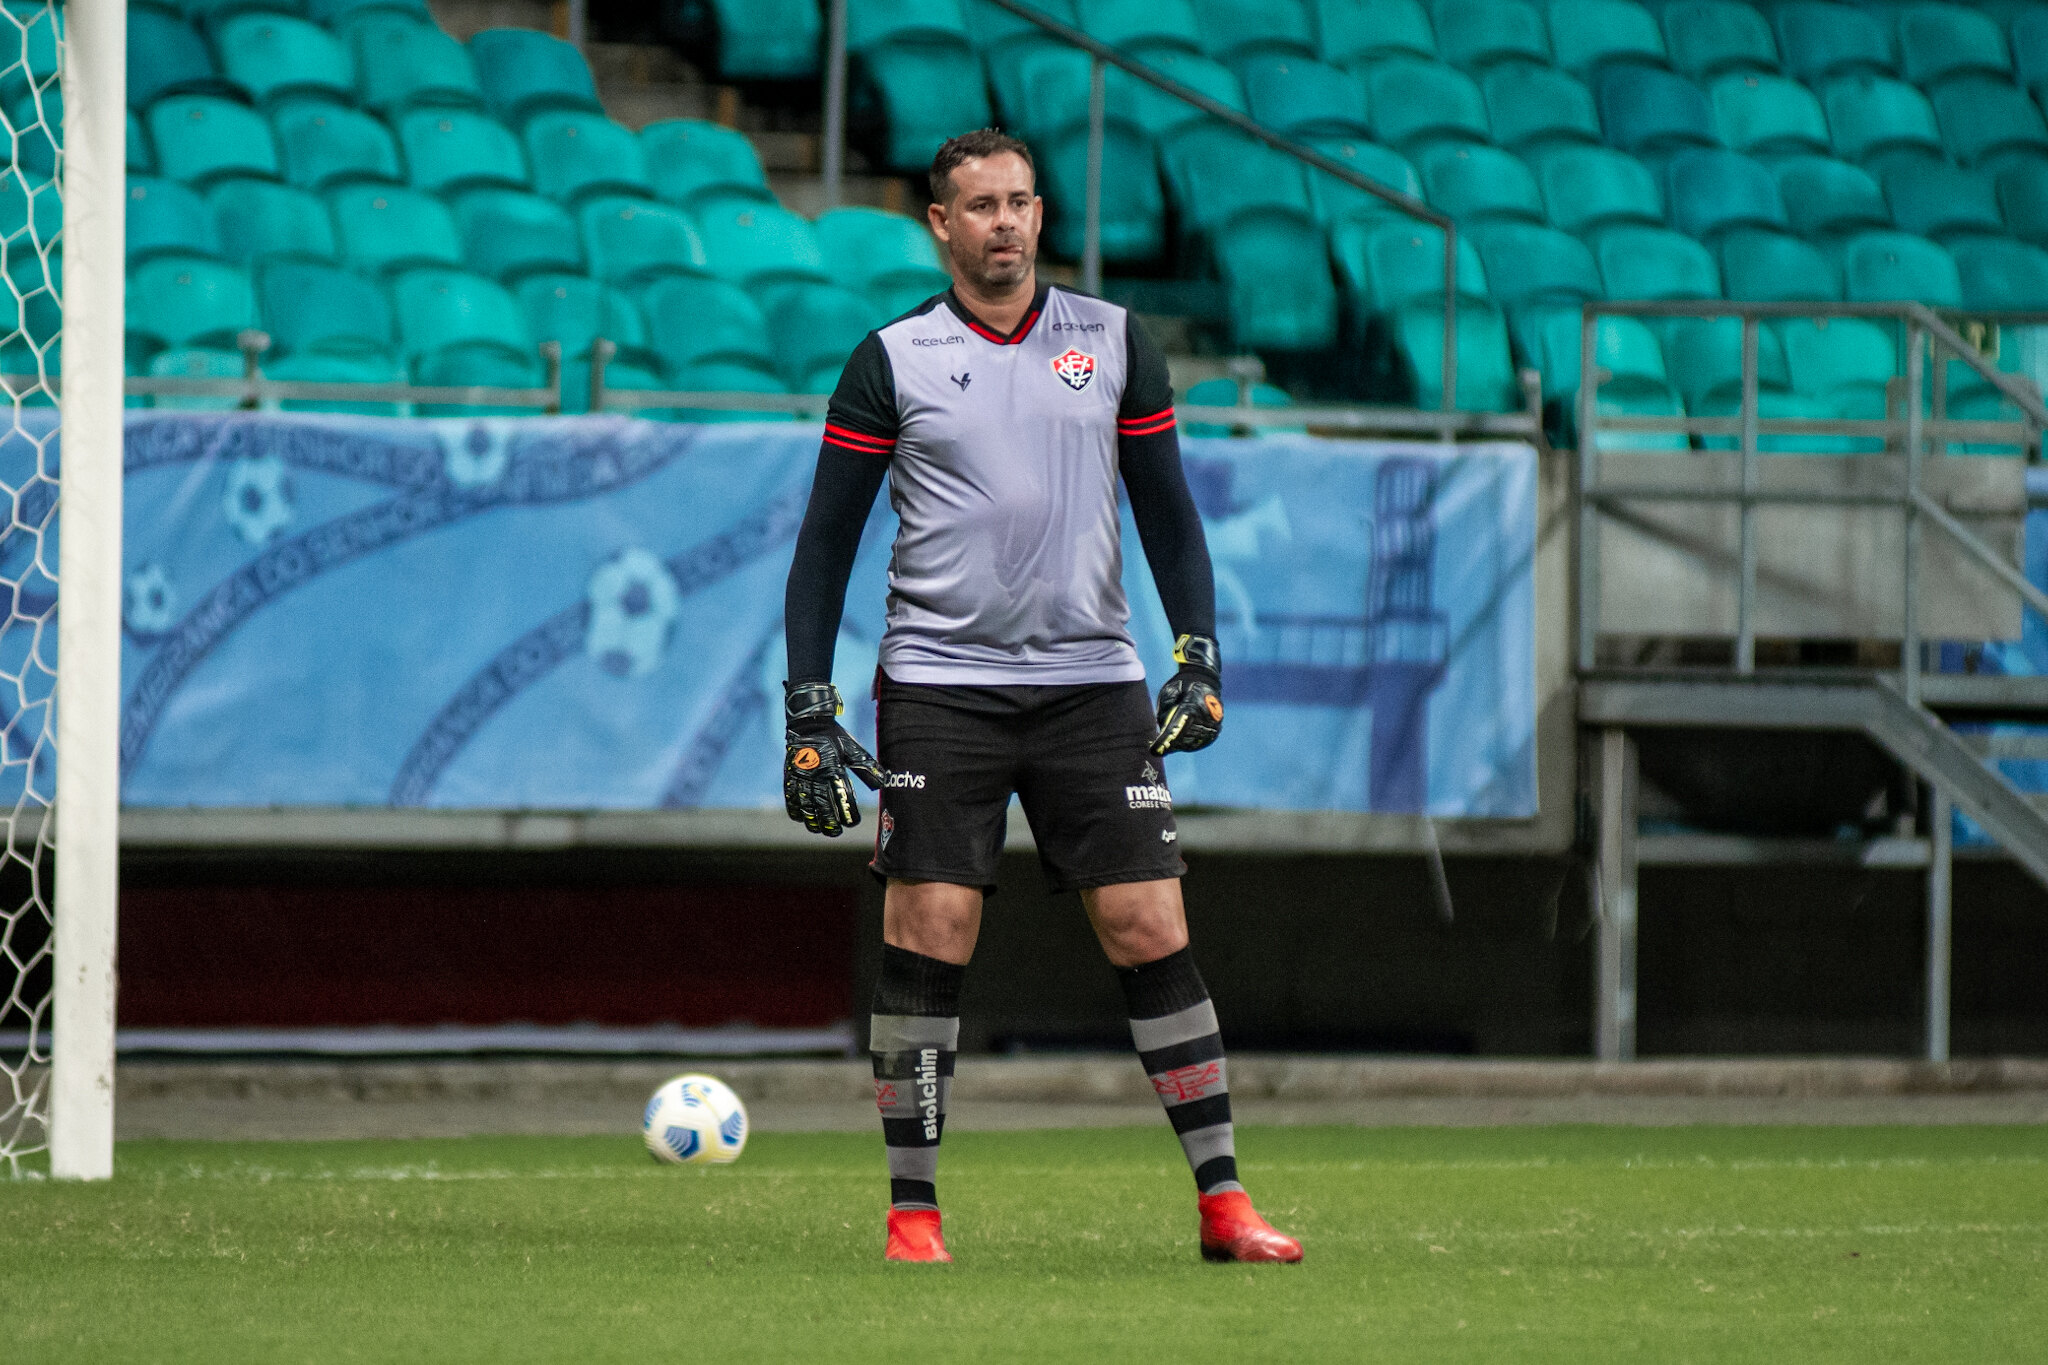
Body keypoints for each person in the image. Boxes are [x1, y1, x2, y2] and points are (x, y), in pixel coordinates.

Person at [780, 128, 1301, 1267]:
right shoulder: (892, 356)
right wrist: (807, 708)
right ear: (941, 225)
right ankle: (910, 1214)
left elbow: (1168, 513)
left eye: (1020, 201)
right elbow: (824, 543)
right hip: (937, 688)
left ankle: (1222, 1204)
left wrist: (1197, 655)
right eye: (980, 206)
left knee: (1147, 921)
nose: (1005, 222)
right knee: (931, 925)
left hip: (1091, 687)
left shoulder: (1113, 341)